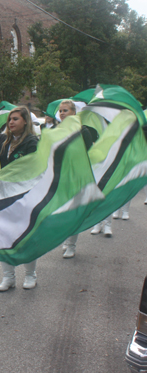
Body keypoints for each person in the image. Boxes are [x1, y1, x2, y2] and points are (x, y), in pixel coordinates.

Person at [0, 106, 39, 291]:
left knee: (26, 238)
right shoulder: (4, 142)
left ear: (25, 121)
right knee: (5, 237)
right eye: (10, 119)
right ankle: (8, 277)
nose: (10, 122)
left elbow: (32, 171)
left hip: (25, 196)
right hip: (5, 196)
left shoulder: (32, 142)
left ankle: (30, 275)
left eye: (15, 119)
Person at [60, 100, 104, 258]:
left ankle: (71, 245)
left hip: (78, 176)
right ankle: (66, 239)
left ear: (73, 112)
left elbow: (87, 155)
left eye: (65, 110)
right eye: (60, 111)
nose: (62, 113)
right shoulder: (57, 130)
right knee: (64, 212)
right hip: (62, 176)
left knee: (74, 212)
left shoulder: (83, 131)